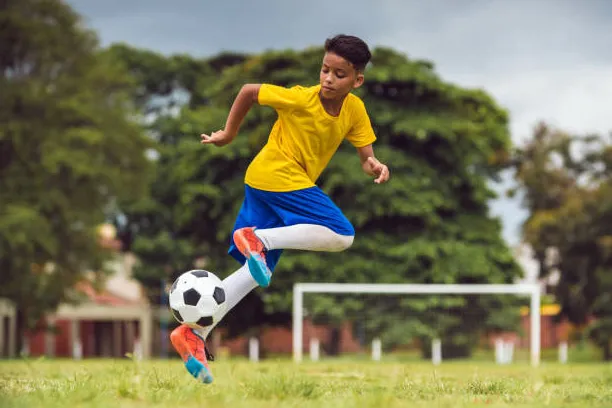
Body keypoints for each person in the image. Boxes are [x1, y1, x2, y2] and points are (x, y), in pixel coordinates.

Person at [170, 34, 390, 383]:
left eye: (339, 74)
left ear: (357, 80)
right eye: (324, 70)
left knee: (256, 274)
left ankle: (194, 333)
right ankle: (258, 239)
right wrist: (228, 134)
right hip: (276, 176)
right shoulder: (301, 98)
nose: (328, 79)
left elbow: (366, 157)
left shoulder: (354, 110)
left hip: (264, 184)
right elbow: (249, 91)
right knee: (342, 233)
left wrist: (375, 166)